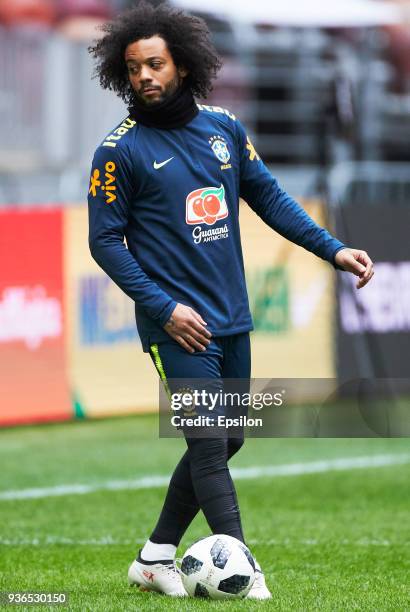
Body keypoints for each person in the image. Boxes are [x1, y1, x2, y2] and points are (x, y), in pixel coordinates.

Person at [87, 1, 374, 599]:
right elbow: (105, 242)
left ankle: (154, 558)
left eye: (156, 64)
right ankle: (245, 576)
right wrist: (162, 307)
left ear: (184, 67)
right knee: (210, 446)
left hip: (231, 317)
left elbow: (269, 197)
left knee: (230, 437)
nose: (145, 76)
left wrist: (333, 249)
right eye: (135, 66)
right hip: (177, 326)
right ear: (122, 72)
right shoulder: (118, 152)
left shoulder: (224, 128)